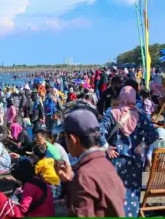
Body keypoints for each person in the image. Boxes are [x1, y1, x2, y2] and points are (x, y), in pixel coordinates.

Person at [99, 86, 158, 217]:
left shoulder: (112, 113)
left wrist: (106, 147)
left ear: (121, 97)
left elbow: (99, 133)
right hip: (134, 163)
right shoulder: (140, 115)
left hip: (115, 161)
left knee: (113, 193)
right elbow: (153, 134)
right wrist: (142, 145)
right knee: (132, 194)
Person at [55, 108, 126, 217]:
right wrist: (68, 181)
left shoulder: (84, 176)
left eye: (64, 137)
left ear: (74, 139)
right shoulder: (107, 165)